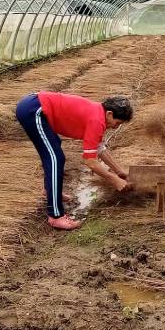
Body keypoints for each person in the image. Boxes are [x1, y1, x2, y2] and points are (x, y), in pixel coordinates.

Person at [15, 92, 133, 230]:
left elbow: (100, 149)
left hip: (35, 106)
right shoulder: (96, 120)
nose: (115, 127)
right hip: (34, 109)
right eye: (117, 123)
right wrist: (113, 179)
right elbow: (90, 162)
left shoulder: (98, 115)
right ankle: (55, 216)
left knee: (54, 152)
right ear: (109, 114)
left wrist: (120, 172)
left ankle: (50, 191)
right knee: (55, 158)